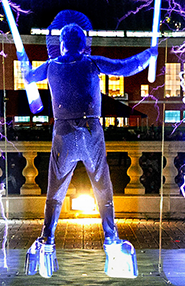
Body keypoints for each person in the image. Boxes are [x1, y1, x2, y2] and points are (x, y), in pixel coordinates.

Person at [20, 21, 157, 279]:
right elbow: (125, 67)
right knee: (102, 187)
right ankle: (110, 239)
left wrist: (26, 69)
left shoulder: (50, 66)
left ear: (61, 45)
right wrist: (147, 55)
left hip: (63, 133)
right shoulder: (91, 63)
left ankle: (47, 239)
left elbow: (29, 78)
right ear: (82, 44)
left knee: (55, 191)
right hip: (90, 130)